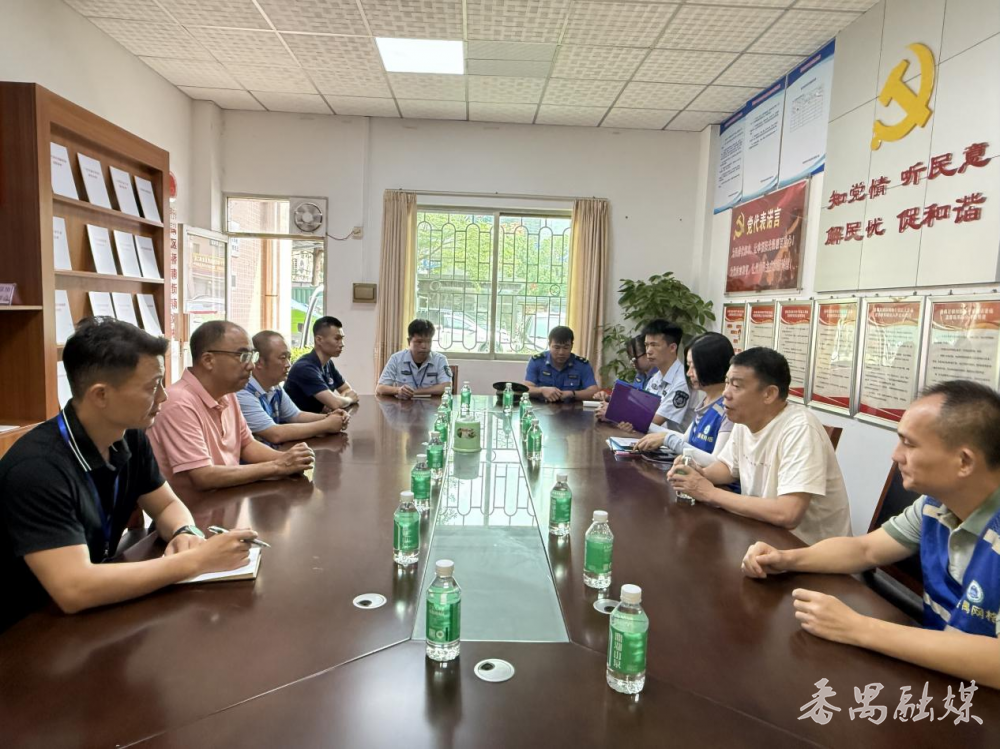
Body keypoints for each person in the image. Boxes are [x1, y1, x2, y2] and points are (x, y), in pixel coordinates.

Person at [741, 381, 1000, 689]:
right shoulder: (935, 505)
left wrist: (857, 628)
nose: (896, 455)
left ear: (964, 461)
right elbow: (865, 549)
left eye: (909, 444)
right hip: (940, 674)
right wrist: (786, 559)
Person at [0, 318, 255, 630]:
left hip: (93, 610)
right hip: (26, 627)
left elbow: (165, 504)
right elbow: (74, 589)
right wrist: (197, 561)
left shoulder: (129, 435)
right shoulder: (37, 468)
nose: (163, 397)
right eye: (152, 386)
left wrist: (184, 532)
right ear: (101, 395)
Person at [668, 347, 851, 545]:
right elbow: (728, 467)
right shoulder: (745, 419)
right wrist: (700, 473)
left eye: (736, 386)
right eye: (727, 382)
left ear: (769, 394)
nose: (726, 393)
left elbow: (788, 513)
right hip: (762, 537)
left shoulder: (800, 429)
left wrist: (710, 493)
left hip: (809, 550)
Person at [147, 321, 315, 493]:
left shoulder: (228, 394)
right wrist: (278, 466)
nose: (251, 365)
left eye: (252, 356)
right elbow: (203, 476)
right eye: (243, 356)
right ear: (208, 360)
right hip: (194, 507)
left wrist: (289, 459)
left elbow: (247, 445)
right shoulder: (178, 402)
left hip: (226, 499)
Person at [635, 333, 740, 492]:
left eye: (694, 367)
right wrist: (641, 425)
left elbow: (717, 462)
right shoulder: (706, 400)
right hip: (695, 485)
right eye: (688, 366)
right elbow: (685, 439)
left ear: (712, 365)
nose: (689, 373)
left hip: (720, 489)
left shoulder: (728, 409)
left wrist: (667, 439)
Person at [236, 330, 349, 445]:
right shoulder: (242, 392)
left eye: (289, 357)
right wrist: (326, 424)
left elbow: (296, 416)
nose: (288, 364)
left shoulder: (275, 387)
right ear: (259, 362)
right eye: (283, 357)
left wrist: (332, 417)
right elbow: (275, 434)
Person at [596, 319, 690, 428]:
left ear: (672, 348)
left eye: (654, 345)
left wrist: (613, 414)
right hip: (648, 436)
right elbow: (641, 410)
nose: (648, 351)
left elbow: (654, 422)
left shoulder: (682, 381)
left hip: (668, 438)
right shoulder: (656, 377)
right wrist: (612, 406)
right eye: (646, 345)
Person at [284, 316, 359, 413]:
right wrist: (347, 400)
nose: (342, 344)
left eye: (342, 339)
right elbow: (337, 402)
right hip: (300, 421)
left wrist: (337, 401)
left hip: (320, 418)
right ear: (319, 340)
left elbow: (347, 389)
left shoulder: (328, 363)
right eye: (337, 339)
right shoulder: (305, 368)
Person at [376, 319, 454, 399]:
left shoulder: (440, 359)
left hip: (431, 405)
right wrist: (398, 390)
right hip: (404, 405)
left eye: (428, 342)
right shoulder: (396, 359)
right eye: (419, 342)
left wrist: (415, 392)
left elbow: (447, 386)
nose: (424, 346)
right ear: (409, 341)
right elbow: (380, 388)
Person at [524, 325, 599, 403]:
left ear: (571, 346)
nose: (561, 352)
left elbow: (594, 392)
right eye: (556, 347)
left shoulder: (582, 365)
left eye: (566, 348)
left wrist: (573, 394)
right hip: (542, 407)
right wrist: (542, 390)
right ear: (549, 345)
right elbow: (526, 389)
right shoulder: (537, 362)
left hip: (572, 408)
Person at [594, 335, 653, 402]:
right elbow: (632, 401)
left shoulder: (658, 377)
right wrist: (608, 398)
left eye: (634, 358)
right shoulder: (640, 375)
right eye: (630, 358)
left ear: (648, 353)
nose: (631, 362)